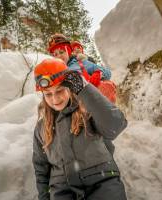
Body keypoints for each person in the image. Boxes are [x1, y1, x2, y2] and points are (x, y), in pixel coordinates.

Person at [32, 58, 128, 200]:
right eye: (48, 94)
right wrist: (44, 196)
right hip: (62, 190)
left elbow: (115, 126)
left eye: (60, 90)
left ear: (70, 88)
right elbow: (41, 167)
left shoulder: (88, 110)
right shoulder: (41, 127)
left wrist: (85, 89)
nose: (55, 99)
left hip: (102, 183)